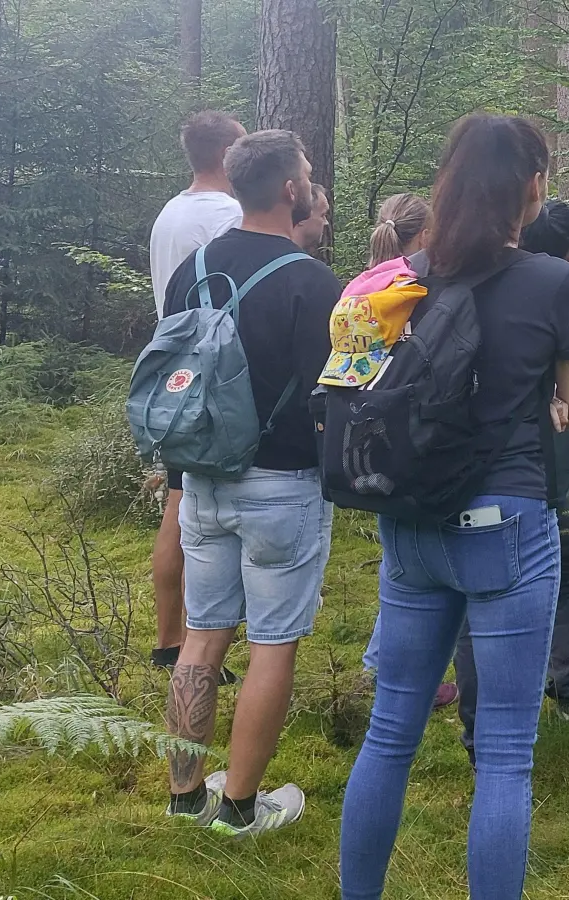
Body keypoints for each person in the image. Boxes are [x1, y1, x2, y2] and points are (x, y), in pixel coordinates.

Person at [339, 114, 569, 900]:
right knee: (507, 755)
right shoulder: (556, 283)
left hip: (412, 524)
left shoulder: (400, 279)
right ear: (532, 187)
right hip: (507, 523)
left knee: (390, 733)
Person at [159, 129, 340, 836]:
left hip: (202, 480)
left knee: (202, 638)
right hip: (282, 486)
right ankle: (239, 808)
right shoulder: (311, 282)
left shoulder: (195, 267)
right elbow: (331, 395)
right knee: (272, 645)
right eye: (307, 173)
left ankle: (184, 797)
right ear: (291, 189)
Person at [453, 198, 569, 741]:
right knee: (564, 581)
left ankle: (479, 722)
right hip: (555, 470)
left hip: (486, 474)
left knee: (478, 594)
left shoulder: (485, 300)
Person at [146, 110, 245, 684]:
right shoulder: (226, 214)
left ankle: (171, 638)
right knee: (197, 511)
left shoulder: (170, 213)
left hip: (172, 368)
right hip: (211, 368)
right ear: (228, 153)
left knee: (178, 501)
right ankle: (196, 644)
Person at [348, 193, 458, 711]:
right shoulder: (414, 287)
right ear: (426, 235)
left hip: (366, 437)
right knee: (418, 571)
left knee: (397, 560)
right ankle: (399, 673)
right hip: (412, 434)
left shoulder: (364, 284)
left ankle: (380, 664)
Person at [293, 184, 330, 254]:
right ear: (302, 216)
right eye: (322, 215)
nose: (326, 222)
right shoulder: (300, 261)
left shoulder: (271, 252)